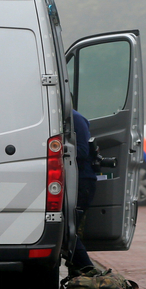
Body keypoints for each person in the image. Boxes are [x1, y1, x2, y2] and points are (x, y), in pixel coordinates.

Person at [66, 109, 98, 276]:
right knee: (71, 232)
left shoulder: (76, 119)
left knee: (69, 232)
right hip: (76, 181)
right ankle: (78, 276)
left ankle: (89, 273)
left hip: (82, 182)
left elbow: (82, 151)